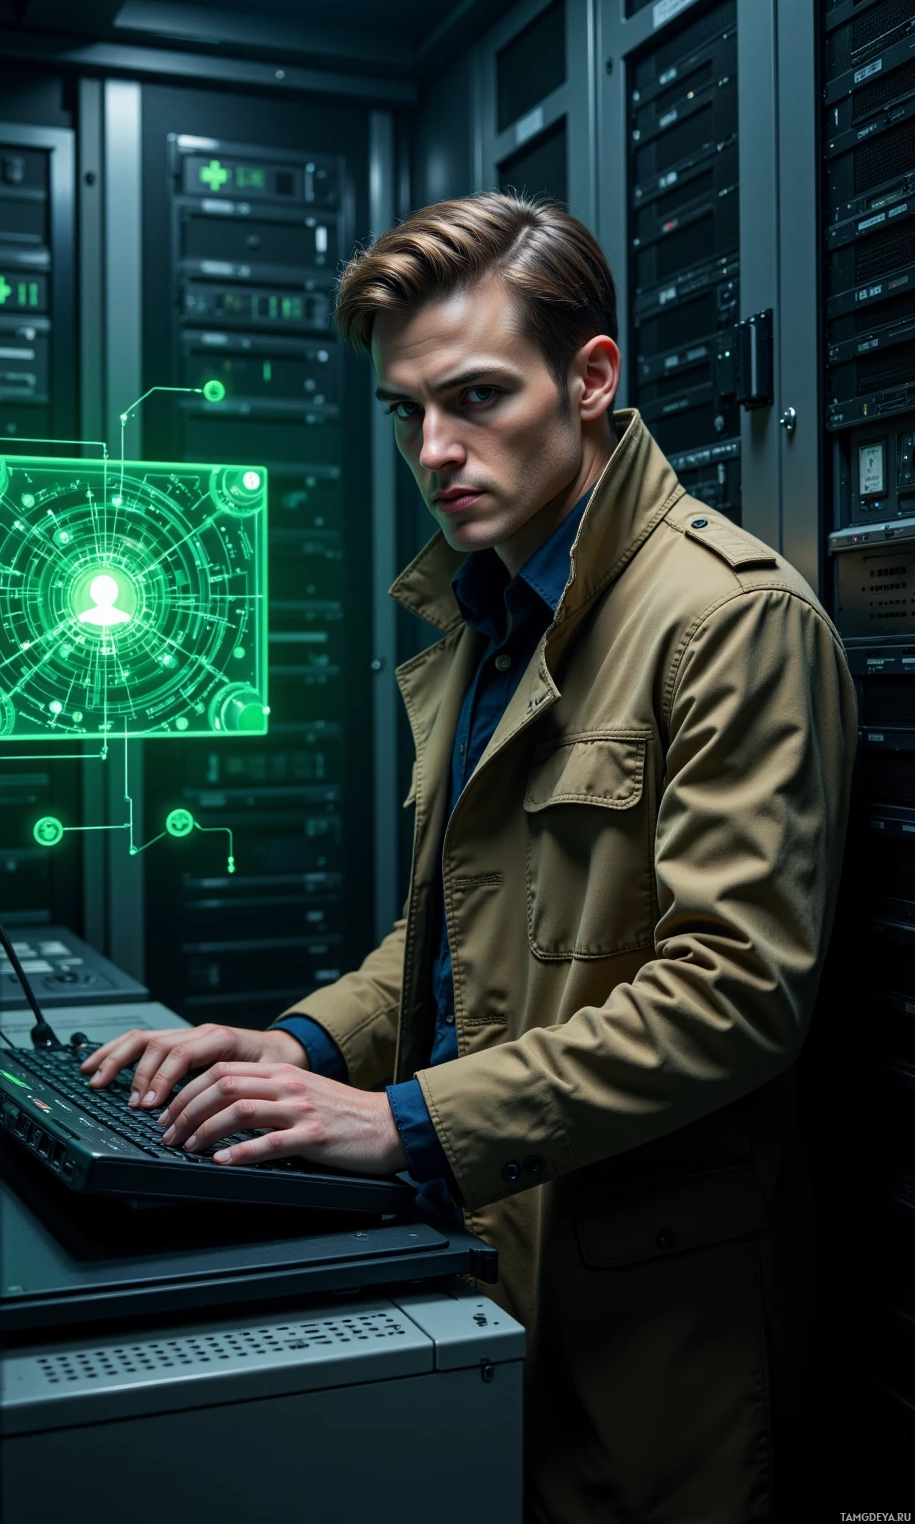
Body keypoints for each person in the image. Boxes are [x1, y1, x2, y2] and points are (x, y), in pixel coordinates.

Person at [82, 194, 857, 1523]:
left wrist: (398, 1123)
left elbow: (736, 999)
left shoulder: (730, 623)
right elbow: (447, 944)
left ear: (593, 378)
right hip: (481, 1247)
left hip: (643, 1320)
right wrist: (306, 1050)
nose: (435, 449)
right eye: (404, 411)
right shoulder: (488, 606)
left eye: (478, 396)